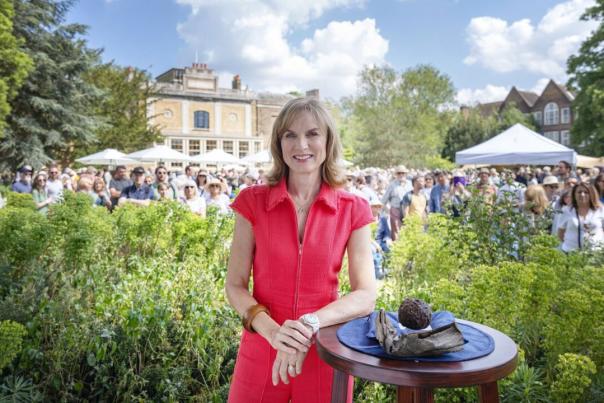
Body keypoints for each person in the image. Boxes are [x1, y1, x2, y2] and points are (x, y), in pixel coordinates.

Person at [225, 97, 376, 402]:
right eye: (290, 135)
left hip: (324, 351)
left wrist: (309, 324)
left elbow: (366, 295)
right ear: (279, 143)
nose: (301, 144)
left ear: (328, 141)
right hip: (263, 347)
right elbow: (234, 285)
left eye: (312, 133)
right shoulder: (252, 202)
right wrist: (273, 333)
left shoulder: (354, 208)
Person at [558, 183, 604, 252]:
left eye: (586, 192)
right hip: (571, 253)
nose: (582, 194)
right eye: (579, 192)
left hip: (596, 254)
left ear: (592, 194)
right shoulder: (566, 210)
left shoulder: (600, 210)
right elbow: (560, 233)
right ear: (574, 194)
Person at [381, 166, 411, 241]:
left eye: (403, 173)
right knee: (396, 231)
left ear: (405, 174)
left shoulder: (410, 184)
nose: (401, 175)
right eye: (399, 173)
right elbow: (383, 201)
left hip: (408, 210)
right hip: (396, 210)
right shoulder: (392, 185)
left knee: (408, 229)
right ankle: (397, 250)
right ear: (396, 174)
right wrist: (389, 211)